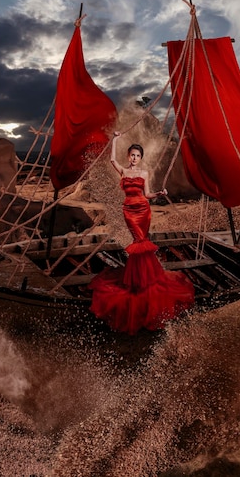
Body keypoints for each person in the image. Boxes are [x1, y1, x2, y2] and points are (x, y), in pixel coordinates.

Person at [89, 132, 195, 335]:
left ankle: (143, 280)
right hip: (129, 211)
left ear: (140, 158)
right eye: (132, 155)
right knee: (138, 242)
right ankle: (138, 280)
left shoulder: (144, 173)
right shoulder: (123, 171)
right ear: (128, 156)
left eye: (137, 155)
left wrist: (159, 194)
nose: (134, 158)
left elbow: (146, 194)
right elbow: (111, 158)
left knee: (143, 242)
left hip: (144, 210)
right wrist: (115, 139)